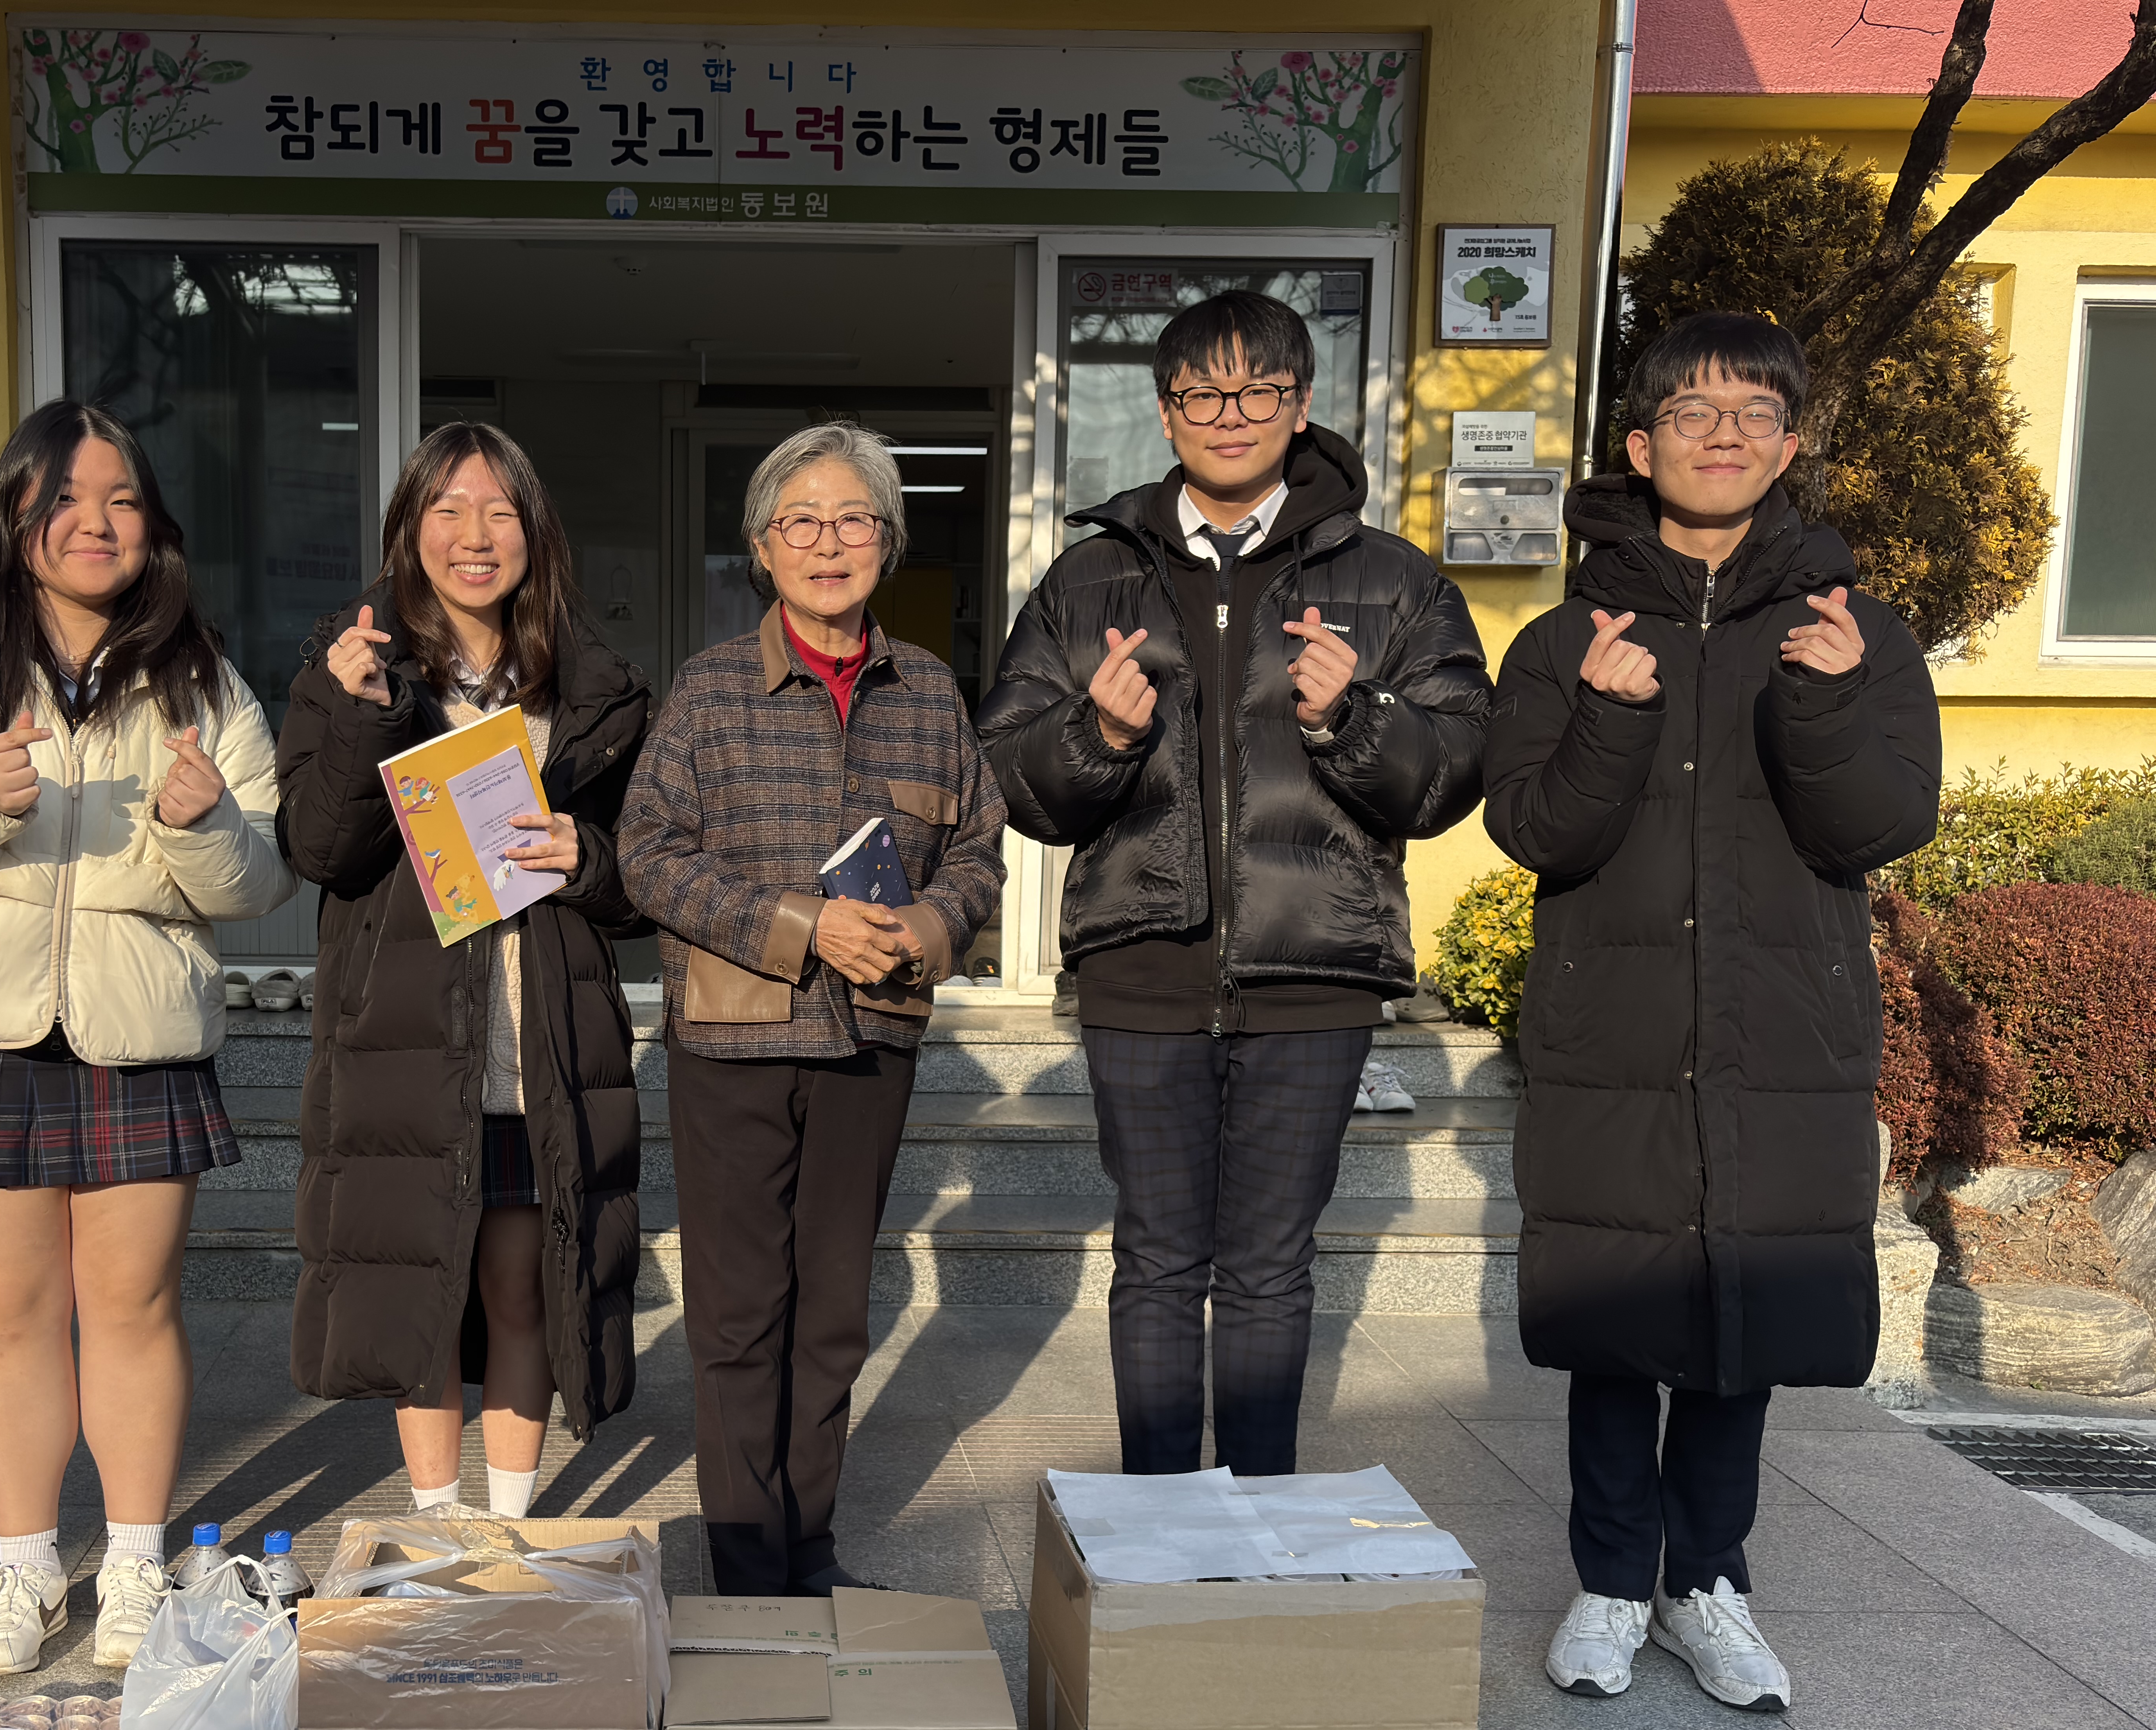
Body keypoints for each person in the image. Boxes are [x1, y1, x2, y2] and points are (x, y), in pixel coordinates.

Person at [1490, 313, 1939, 1712]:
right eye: (1693, 411)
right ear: (1641, 445)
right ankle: (1616, 1580)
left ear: (1791, 446)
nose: (1725, 430)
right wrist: (1611, 715)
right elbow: (1535, 830)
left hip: (1778, 1025)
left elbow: (1880, 821)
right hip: (1614, 1025)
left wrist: (1820, 703)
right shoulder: (1568, 636)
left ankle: (1711, 1582)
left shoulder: (1854, 633)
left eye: (1756, 410)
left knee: (1741, 1307)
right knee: (1623, 1304)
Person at [0, 399, 295, 1677]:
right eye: (66, 499)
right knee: (10, 1311)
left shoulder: (199, 676)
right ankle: (26, 1567)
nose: (97, 522)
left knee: (133, 1305)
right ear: (16, 517)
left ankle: (134, 1560)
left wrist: (204, 826)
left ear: (155, 525)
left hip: (140, 1029)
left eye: (123, 498)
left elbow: (260, 880)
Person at [976, 291, 1490, 1482]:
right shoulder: (1093, 579)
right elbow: (1011, 778)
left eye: (1258, 389)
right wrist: (1096, 738)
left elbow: (1455, 770)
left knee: (1268, 1263)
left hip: (1314, 970)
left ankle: (1259, 1519)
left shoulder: (1394, 582)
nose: (1231, 414)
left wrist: (1354, 719)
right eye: (1203, 393)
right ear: (1166, 413)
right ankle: (1158, 1521)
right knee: (1156, 1257)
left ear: (1302, 406)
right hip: (1141, 967)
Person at [619, 422, 1007, 1596]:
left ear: (887, 541)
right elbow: (646, 854)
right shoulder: (709, 690)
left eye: (853, 520)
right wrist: (802, 924)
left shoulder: (931, 690)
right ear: (761, 547)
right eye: (802, 521)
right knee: (741, 1314)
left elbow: (981, 853)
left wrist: (931, 930)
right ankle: (747, 1555)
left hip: (871, 1037)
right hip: (734, 1036)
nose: (828, 544)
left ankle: (811, 1541)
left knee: (834, 1309)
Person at [280, 424, 652, 1517]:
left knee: (522, 1286)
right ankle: (442, 1523)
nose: (474, 535)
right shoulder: (352, 669)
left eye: (499, 511)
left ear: (536, 534)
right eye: (447, 510)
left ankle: (510, 1528)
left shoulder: (592, 691)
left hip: (538, 1051)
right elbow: (321, 848)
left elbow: (648, 877)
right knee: (426, 1300)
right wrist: (360, 717)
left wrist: (591, 860)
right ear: (410, 532)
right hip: (405, 1044)